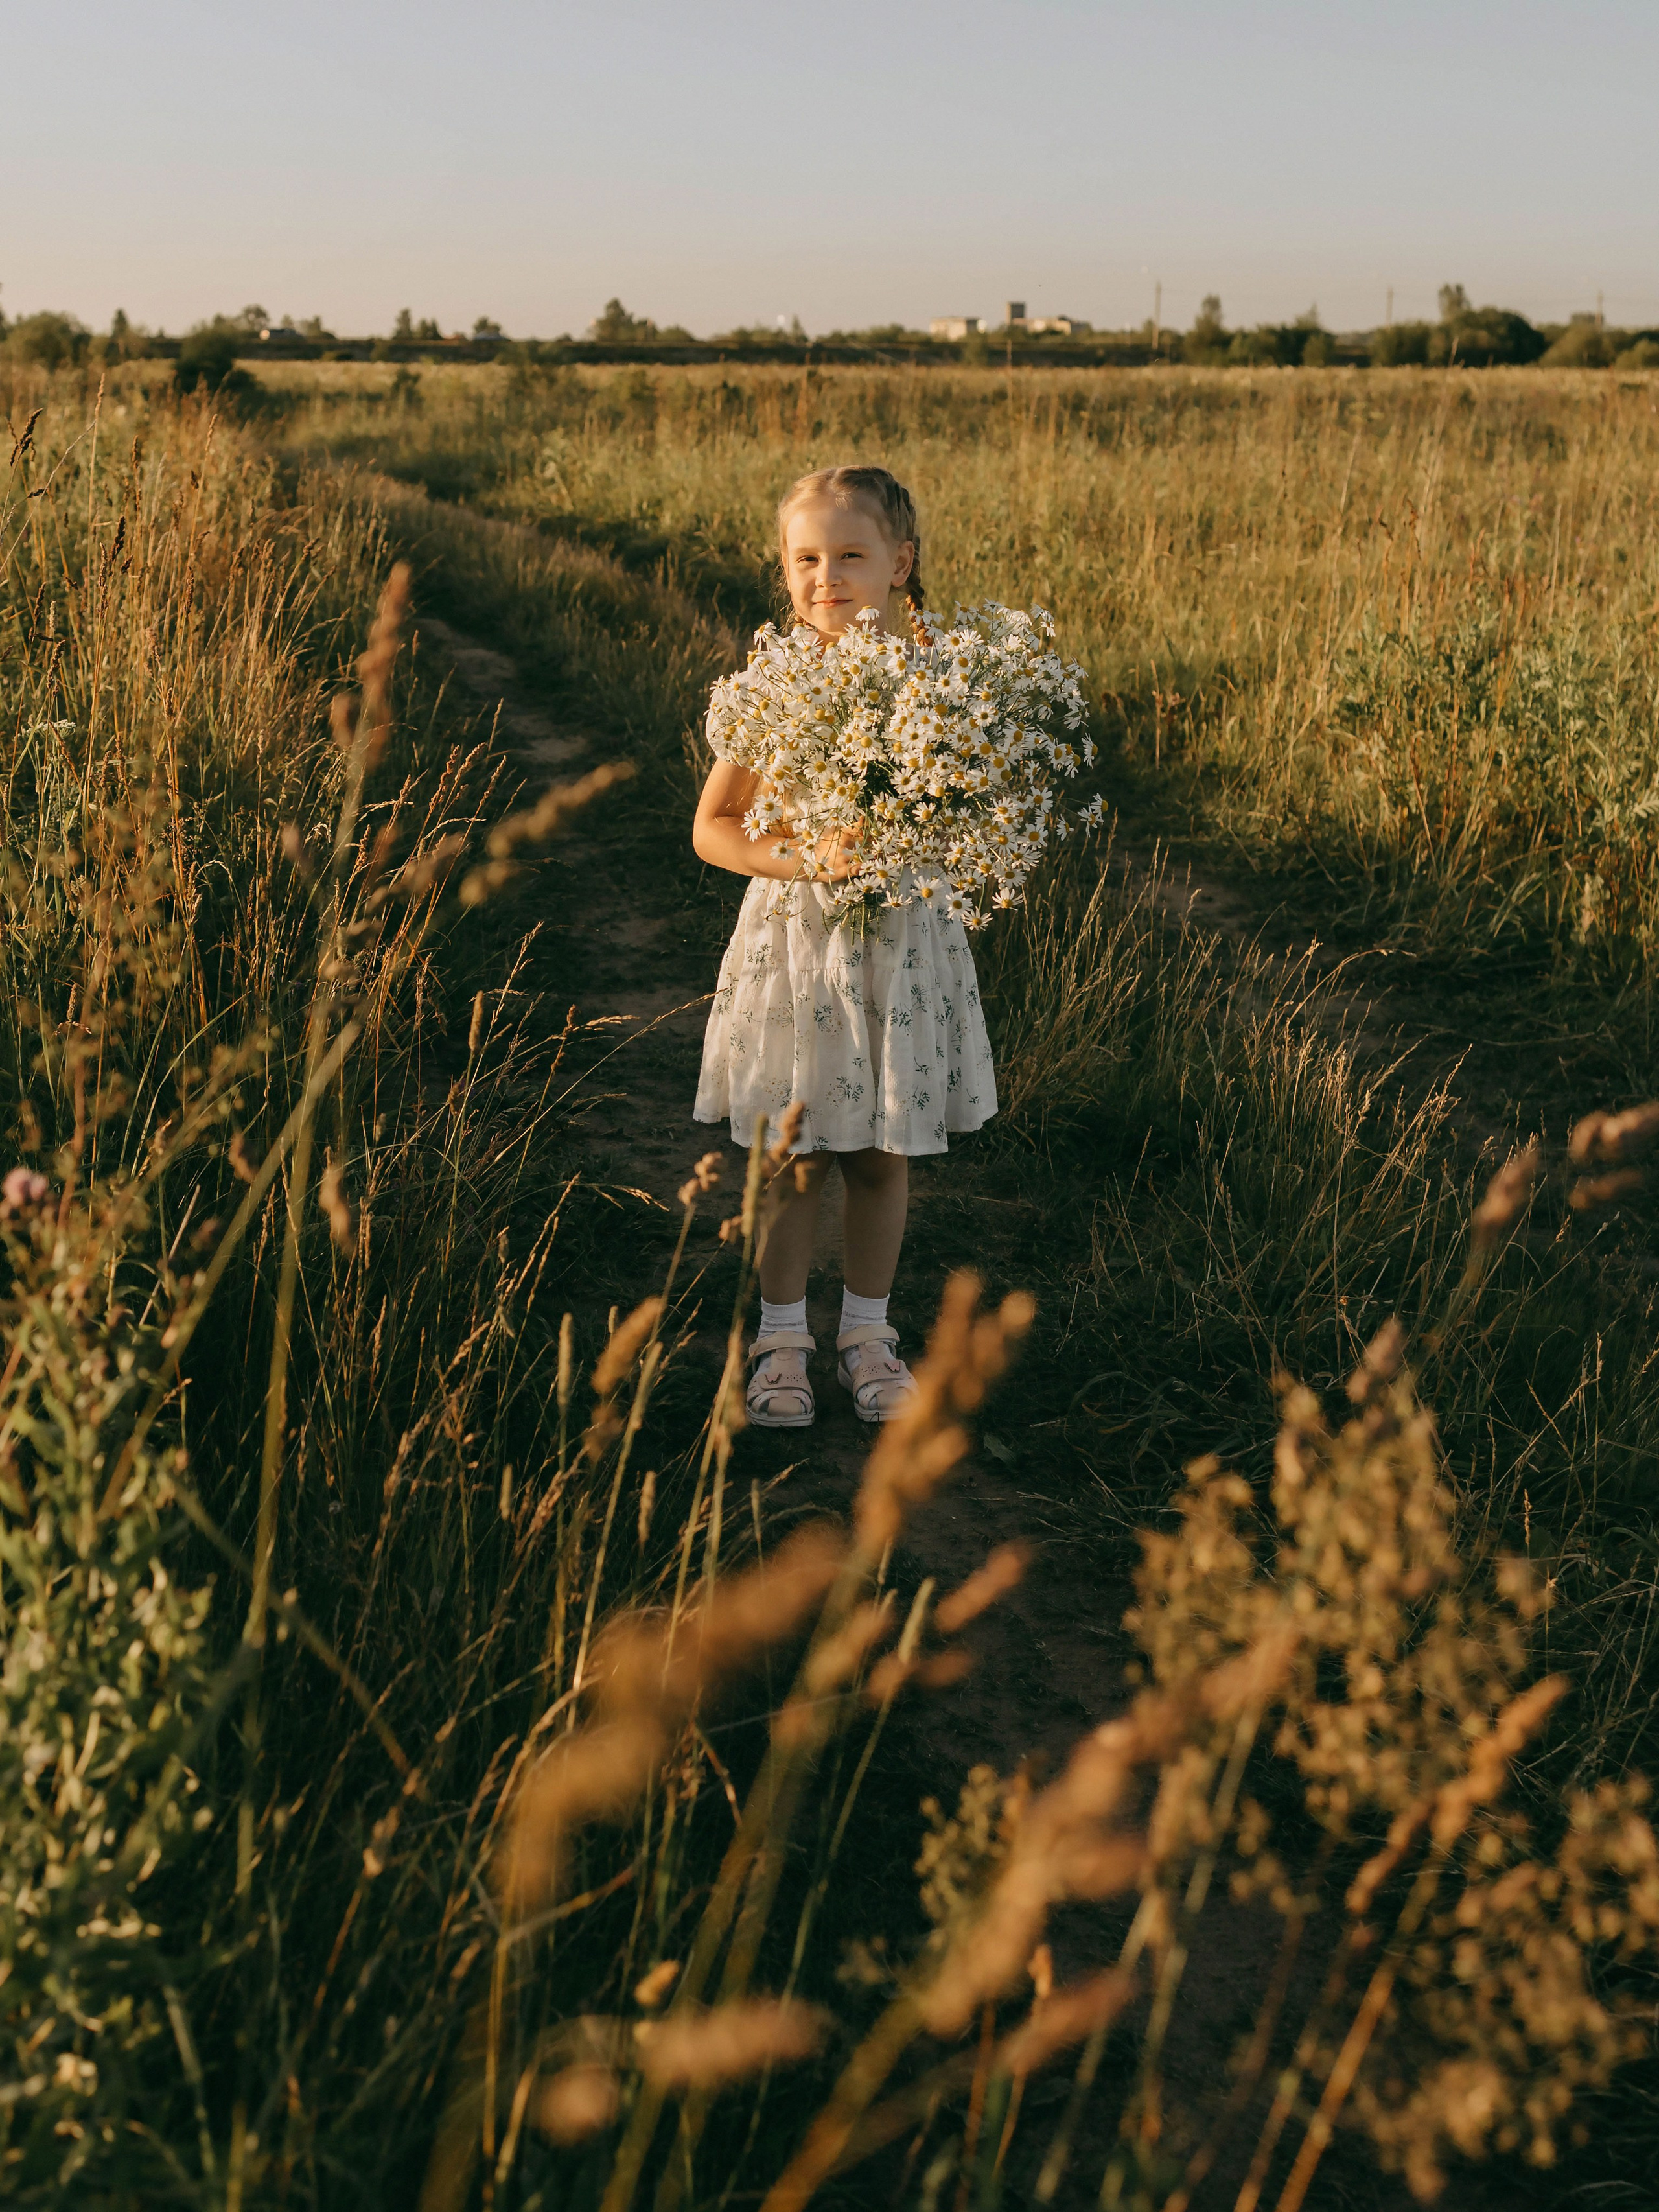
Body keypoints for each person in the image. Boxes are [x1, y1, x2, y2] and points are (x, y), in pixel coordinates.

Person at [691, 465, 997, 1429]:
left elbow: (972, 810)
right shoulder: (772, 687)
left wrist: (940, 824)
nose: (826, 577)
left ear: (900, 564)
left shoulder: (942, 682)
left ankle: (868, 1335)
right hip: (798, 946)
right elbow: (713, 828)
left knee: (877, 1153)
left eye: (850, 555)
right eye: (806, 559)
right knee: (796, 1155)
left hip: (899, 948)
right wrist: (804, 857)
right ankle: (782, 1340)